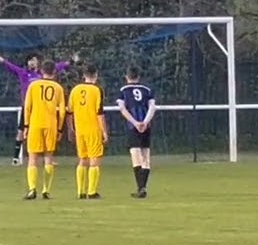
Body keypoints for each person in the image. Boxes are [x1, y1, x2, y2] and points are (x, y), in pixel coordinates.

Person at [0, 46, 78, 165]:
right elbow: (8, 65)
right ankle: (16, 158)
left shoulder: (43, 73)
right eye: (30, 60)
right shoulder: (23, 73)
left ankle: (48, 158)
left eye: (34, 60)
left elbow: (58, 66)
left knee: (46, 132)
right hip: (28, 108)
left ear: (38, 62)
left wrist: (71, 61)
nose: (32, 62)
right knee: (21, 132)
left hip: (43, 109)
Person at [21, 60, 66, 200]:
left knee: (33, 157)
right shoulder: (58, 88)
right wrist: (59, 129)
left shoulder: (33, 86)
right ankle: (46, 190)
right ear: (54, 72)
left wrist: (26, 126)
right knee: (48, 157)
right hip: (51, 124)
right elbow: (63, 111)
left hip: (35, 123)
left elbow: (27, 107)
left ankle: (32, 189)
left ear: (41, 71)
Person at [67, 65, 109, 199]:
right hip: (93, 129)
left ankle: (80, 191)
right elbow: (99, 114)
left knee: (82, 160)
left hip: (80, 129)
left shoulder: (75, 90)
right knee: (94, 161)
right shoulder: (97, 90)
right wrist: (105, 132)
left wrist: (70, 129)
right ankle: (92, 191)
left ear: (84, 76)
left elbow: (69, 112)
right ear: (96, 75)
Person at [118, 67, 157, 198]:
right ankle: (143, 187)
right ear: (138, 77)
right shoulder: (147, 90)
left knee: (136, 156)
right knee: (146, 156)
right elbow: (152, 107)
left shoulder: (123, 90)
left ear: (126, 76)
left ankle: (140, 188)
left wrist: (135, 123)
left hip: (132, 126)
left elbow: (123, 109)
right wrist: (145, 122)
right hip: (146, 126)